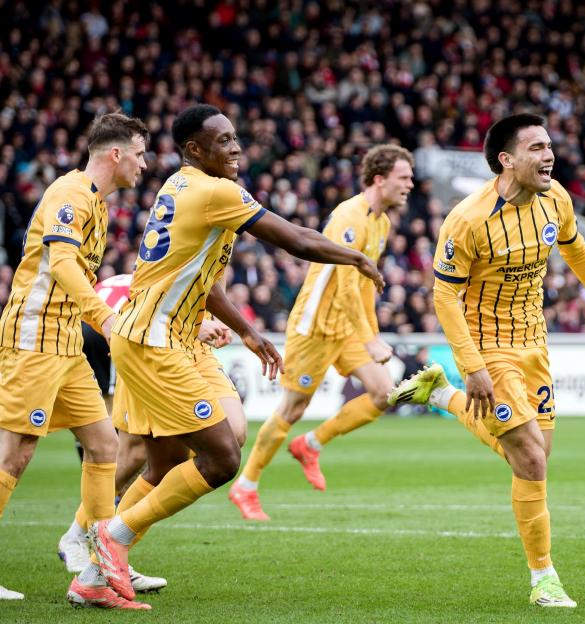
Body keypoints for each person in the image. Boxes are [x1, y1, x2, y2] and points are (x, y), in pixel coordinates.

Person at [77, 104, 383, 610]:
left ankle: (92, 576)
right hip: (153, 341)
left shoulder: (179, 185)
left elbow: (204, 281)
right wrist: (355, 256)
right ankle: (113, 536)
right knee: (221, 458)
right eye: (223, 141)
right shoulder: (216, 192)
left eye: (236, 138)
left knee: (175, 459)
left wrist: (247, 331)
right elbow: (295, 240)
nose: (236, 148)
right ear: (195, 150)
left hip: (176, 337)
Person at [387, 114, 585, 608]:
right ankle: (543, 579)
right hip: (488, 346)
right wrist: (473, 365)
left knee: (536, 456)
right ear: (506, 159)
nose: (549, 156)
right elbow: (444, 298)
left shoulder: (556, 198)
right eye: (536, 148)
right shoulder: (467, 219)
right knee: (529, 459)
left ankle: (440, 395)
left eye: (550, 146)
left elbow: (579, 251)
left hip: (534, 344)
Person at [0, 113, 148, 604]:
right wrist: (104, 319)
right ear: (115, 154)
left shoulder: (96, 203)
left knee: (105, 444)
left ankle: (98, 572)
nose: (144, 165)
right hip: (34, 335)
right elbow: (61, 263)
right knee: (15, 453)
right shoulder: (69, 194)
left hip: (66, 341)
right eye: (140, 154)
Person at [229, 145, 413, 520]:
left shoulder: (382, 222)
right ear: (380, 179)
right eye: (404, 177)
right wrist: (369, 338)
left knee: (383, 392)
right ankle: (245, 486)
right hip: (314, 326)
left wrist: (370, 332)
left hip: (346, 326)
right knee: (293, 407)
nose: (410, 184)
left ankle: (311, 444)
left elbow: (364, 285)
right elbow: (345, 283)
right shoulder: (351, 217)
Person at [57, 275, 237, 595]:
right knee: (131, 454)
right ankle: (82, 540)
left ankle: (105, 550)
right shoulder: (170, 250)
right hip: (145, 347)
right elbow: (143, 310)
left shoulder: (206, 252)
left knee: (229, 437)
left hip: (185, 350)